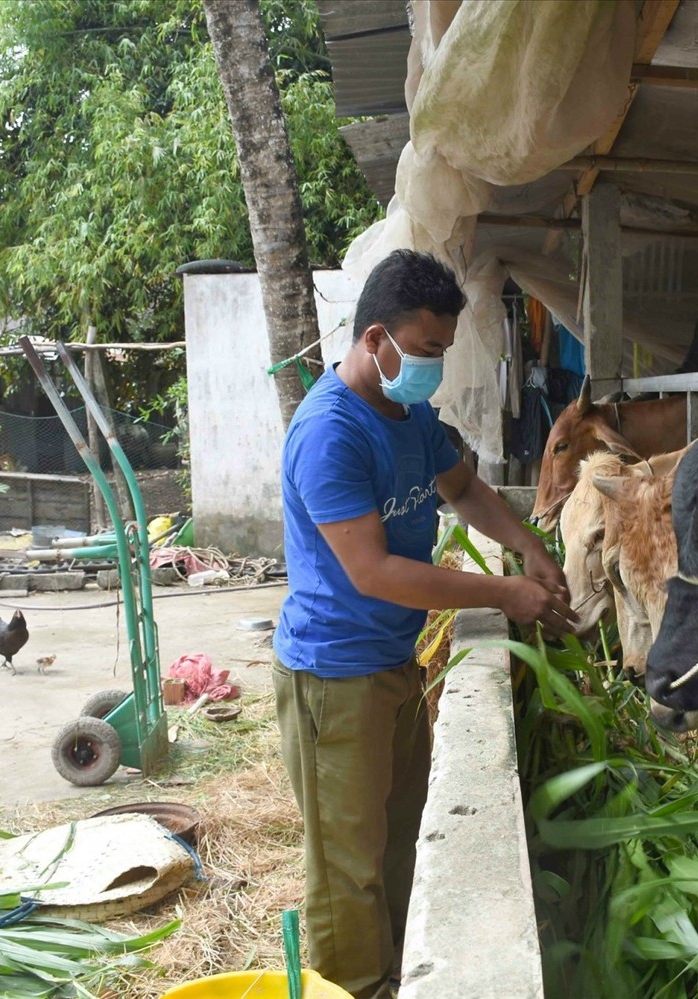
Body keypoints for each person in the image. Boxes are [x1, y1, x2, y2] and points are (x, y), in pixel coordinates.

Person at [273, 249, 576, 999]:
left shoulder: (407, 415)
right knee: (348, 862)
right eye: (428, 350)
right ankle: (354, 986)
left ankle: (408, 972)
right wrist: (504, 593)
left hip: (393, 661)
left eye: (443, 350)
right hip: (333, 676)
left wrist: (530, 545)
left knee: (402, 833)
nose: (436, 366)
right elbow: (373, 570)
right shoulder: (330, 433)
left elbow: (464, 486)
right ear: (376, 339)